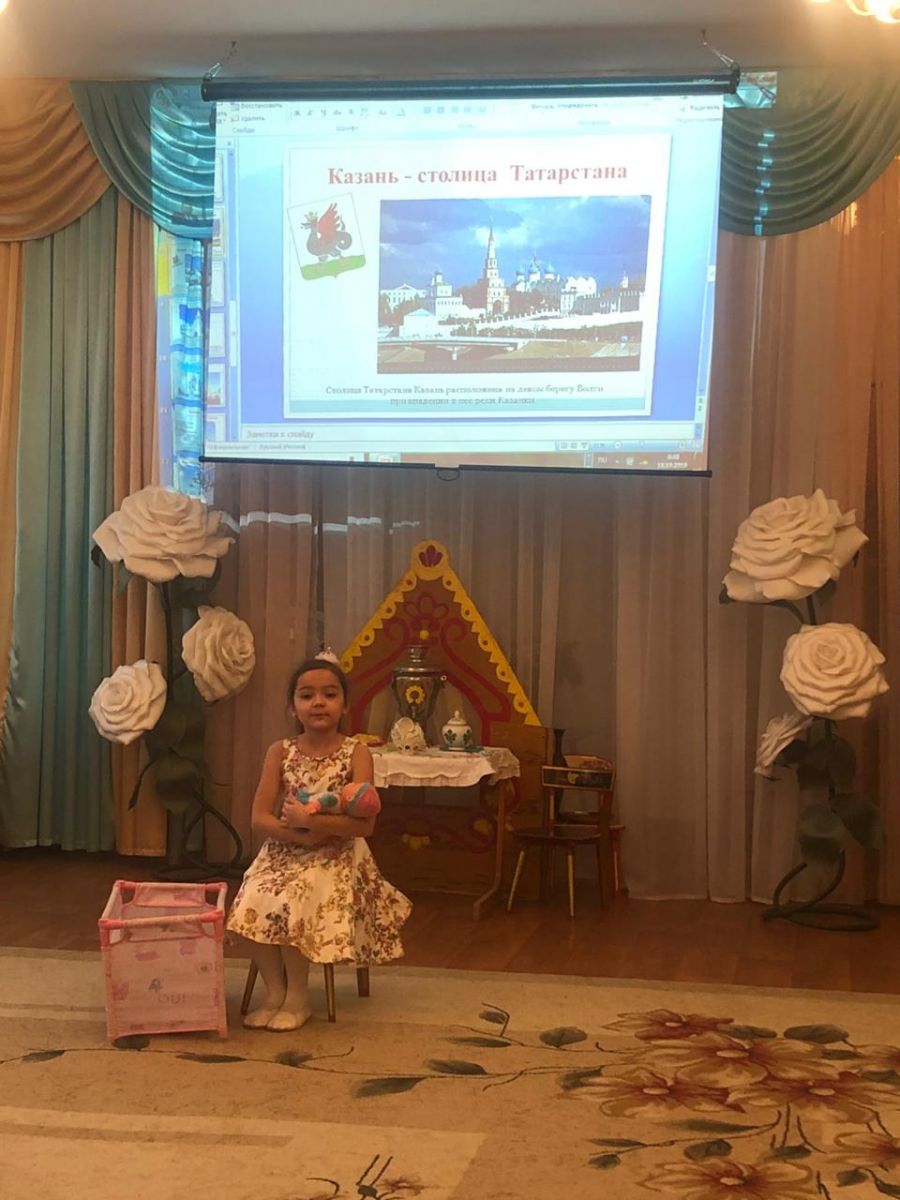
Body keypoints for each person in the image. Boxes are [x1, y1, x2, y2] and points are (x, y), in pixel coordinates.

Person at [227, 654, 412, 1030]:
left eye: (329, 694)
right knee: (254, 896)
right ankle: (275, 992)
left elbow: (365, 823)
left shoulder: (356, 752)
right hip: (284, 849)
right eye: (306, 695)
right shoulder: (280, 751)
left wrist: (315, 826)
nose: (318, 703)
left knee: (299, 895)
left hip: (339, 853)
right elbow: (259, 817)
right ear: (292, 706)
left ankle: (298, 998)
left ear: (344, 705)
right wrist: (298, 834)